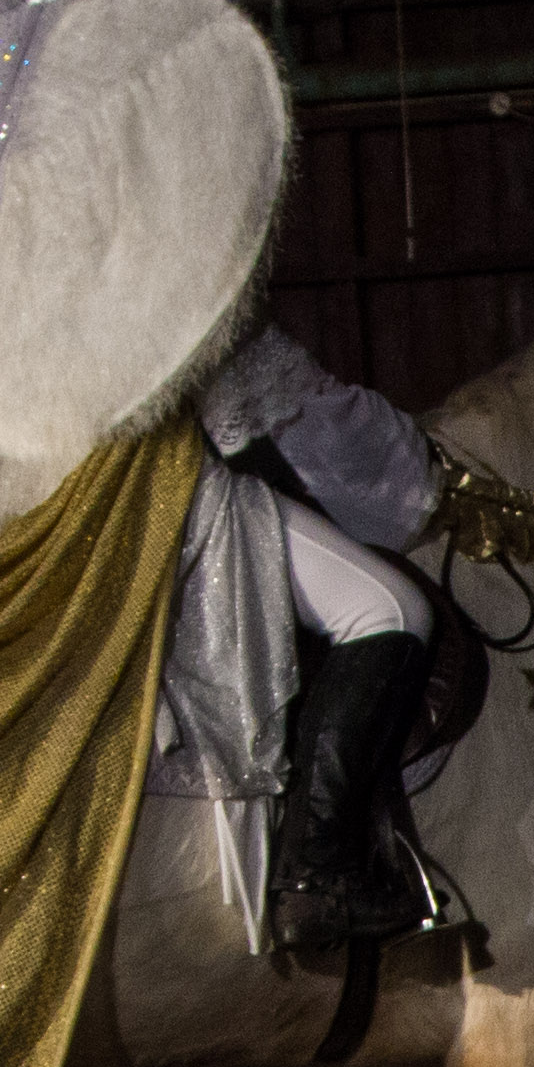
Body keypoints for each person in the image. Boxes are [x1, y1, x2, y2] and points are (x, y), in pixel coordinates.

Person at [188, 319, 453, 952]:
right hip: (159, 492)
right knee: (392, 610)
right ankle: (317, 868)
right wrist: (405, 478)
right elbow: (278, 413)